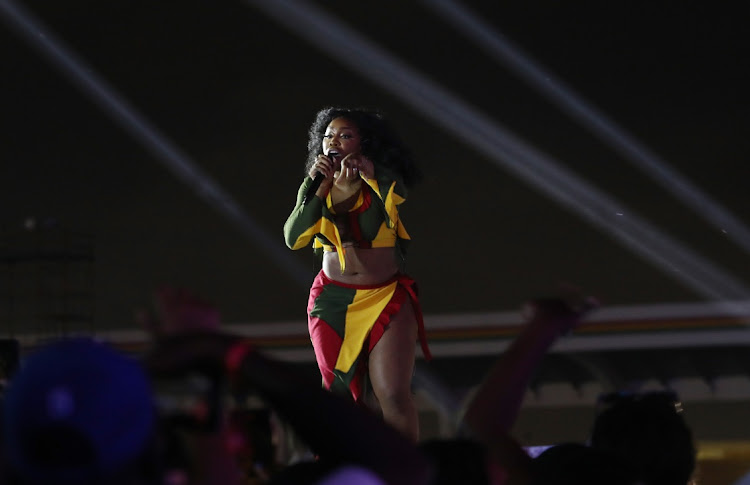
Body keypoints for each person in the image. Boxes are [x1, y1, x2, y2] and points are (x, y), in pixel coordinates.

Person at [283, 106, 431, 441]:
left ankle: (404, 473)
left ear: (363, 144)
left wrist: (369, 171)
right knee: (339, 397)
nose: (333, 141)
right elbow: (293, 237)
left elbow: (401, 194)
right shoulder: (313, 185)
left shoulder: (379, 178)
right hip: (333, 301)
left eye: (344, 135)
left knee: (392, 394)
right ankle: (342, 471)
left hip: (385, 297)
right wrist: (319, 186)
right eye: (328, 136)